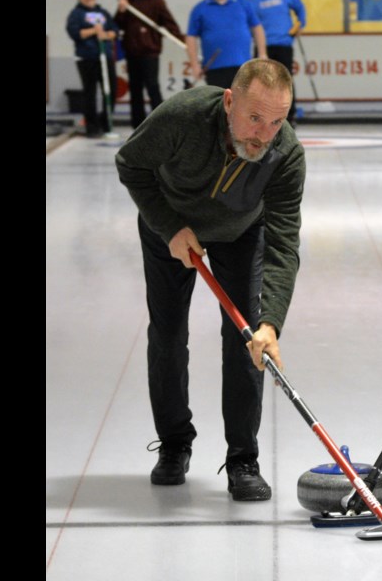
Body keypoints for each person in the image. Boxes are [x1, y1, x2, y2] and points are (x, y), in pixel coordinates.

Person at [115, 59, 305, 501]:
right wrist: (168, 228)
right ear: (228, 101)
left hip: (240, 233)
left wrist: (271, 323)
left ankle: (243, 458)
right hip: (172, 228)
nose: (263, 133)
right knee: (167, 334)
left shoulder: (286, 155)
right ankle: (175, 444)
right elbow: (131, 164)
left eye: (276, 121)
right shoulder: (183, 116)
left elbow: (283, 244)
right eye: (254, 117)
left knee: (247, 340)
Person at [115, 0, 186, 129]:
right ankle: (137, 125)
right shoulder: (127, 1)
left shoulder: (156, 0)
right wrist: (121, 10)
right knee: (135, 89)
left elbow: (168, 21)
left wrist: (182, 40)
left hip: (150, 52)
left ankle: (159, 123)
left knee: (153, 87)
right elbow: (117, 24)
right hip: (132, 51)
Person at [186, 0, 267, 89]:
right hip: (215, 68)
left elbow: (257, 28)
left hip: (242, 66)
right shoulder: (199, 9)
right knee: (220, 104)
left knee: (242, 104)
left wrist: (262, 53)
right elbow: (191, 37)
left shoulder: (243, 3)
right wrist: (194, 64)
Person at [248, 0, 305, 125]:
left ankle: (289, 115)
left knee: (284, 82)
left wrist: (298, 26)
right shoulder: (253, 0)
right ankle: (262, 116)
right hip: (262, 48)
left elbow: (300, 9)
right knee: (261, 84)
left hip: (283, 46)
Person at [66, 0, 118, 137]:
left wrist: (106, 35)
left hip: (105, 56)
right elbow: (74, 33)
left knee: (110, 90)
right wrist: (94, 31)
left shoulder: (103, 13)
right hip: (87, 58)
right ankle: (92, 126)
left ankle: (106, 123)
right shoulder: (76, 13)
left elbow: (114, 31)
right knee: (90, 92)